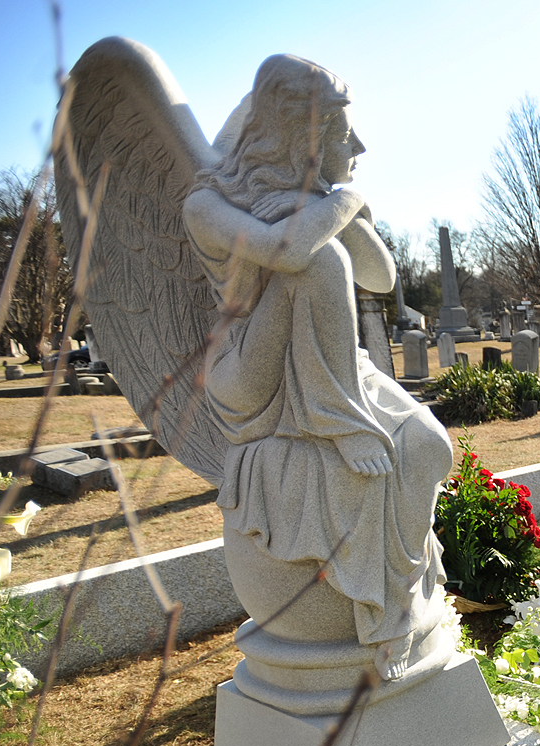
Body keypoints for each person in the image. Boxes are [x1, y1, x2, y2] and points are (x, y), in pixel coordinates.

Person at [185, 53, 453, 681]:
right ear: (301, 137)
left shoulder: (319, 198)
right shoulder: (208, 203)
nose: (357, 145)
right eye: (340, 131)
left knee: (430, 445)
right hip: (255, 376)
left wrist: (337, 203)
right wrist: (345, 202)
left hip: (332, 362)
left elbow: (382, 278)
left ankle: (394, 604)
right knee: (321, 260)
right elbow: (292, 250)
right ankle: (342, 424)